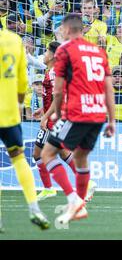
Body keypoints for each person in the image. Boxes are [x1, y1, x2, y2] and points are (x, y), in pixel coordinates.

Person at [41, 14, 116, 225]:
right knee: (81, 157)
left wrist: (56, 112)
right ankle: (80, 205)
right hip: (98, 114)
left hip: (76, 113)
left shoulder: (65, 50)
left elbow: (58, 90)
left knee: (47, 154)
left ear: (66, 29)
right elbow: (108, 88)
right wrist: (112, 120)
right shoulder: (100, 52)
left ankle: (74, 200)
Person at [0, 25, 50, 230]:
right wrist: (18, 108)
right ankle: (34, 207)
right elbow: (22, 83)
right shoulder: (14, 40)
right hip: (10, 113)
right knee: (19, 158)